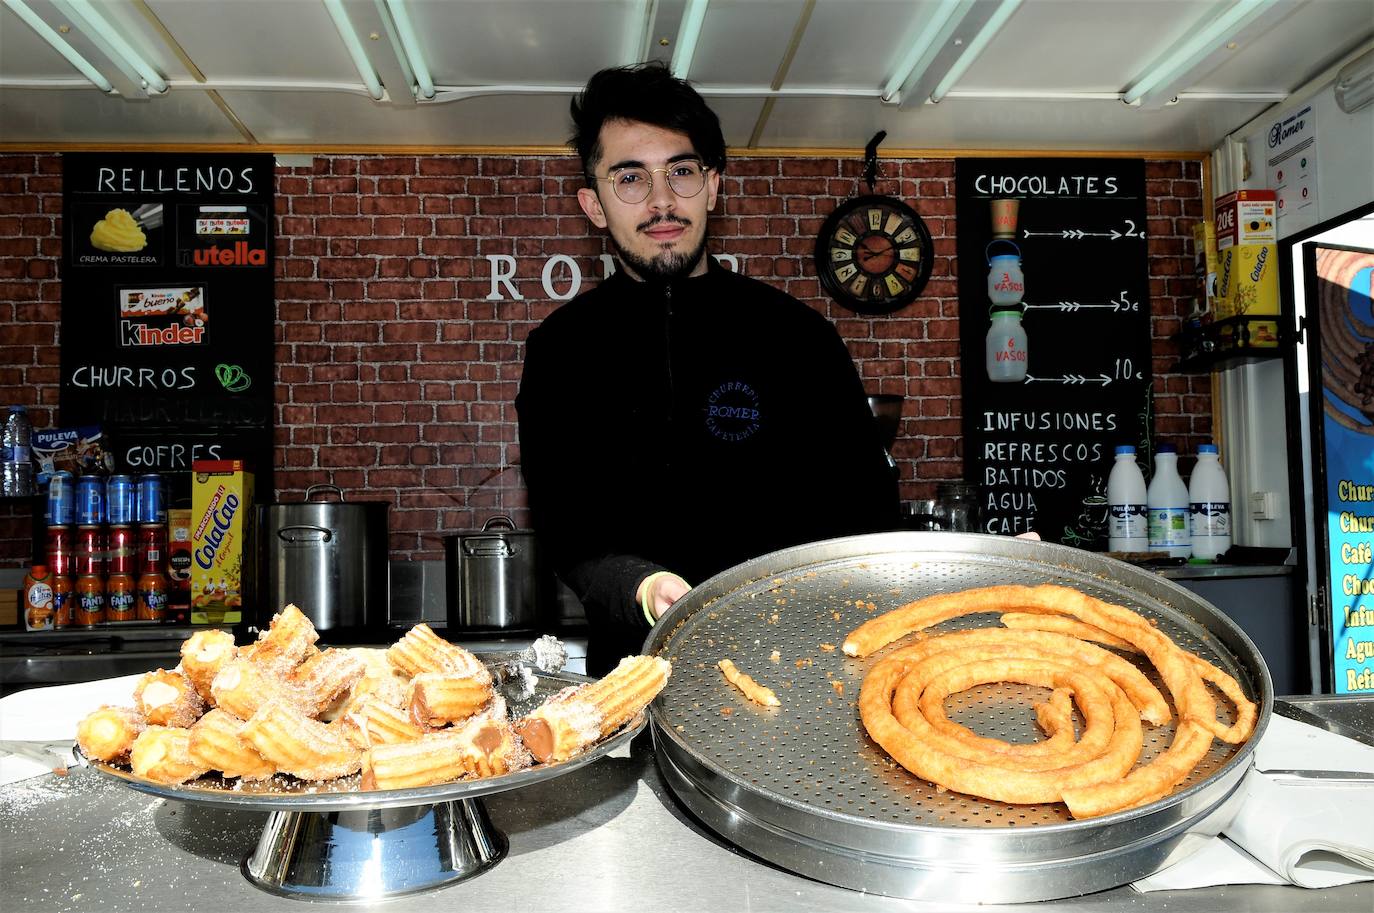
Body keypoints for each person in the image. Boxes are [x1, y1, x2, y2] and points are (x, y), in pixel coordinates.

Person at [516, 62, 899, 673]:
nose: (662, 200)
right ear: (594, 204)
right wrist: (638, 584)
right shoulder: (562, 350)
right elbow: (570, 528)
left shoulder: (800, 338)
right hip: (634, 683)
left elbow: (871, 522)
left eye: (682, 172)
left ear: (714, 186)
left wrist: (964, 571)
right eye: (631, 178)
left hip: (798, 681)